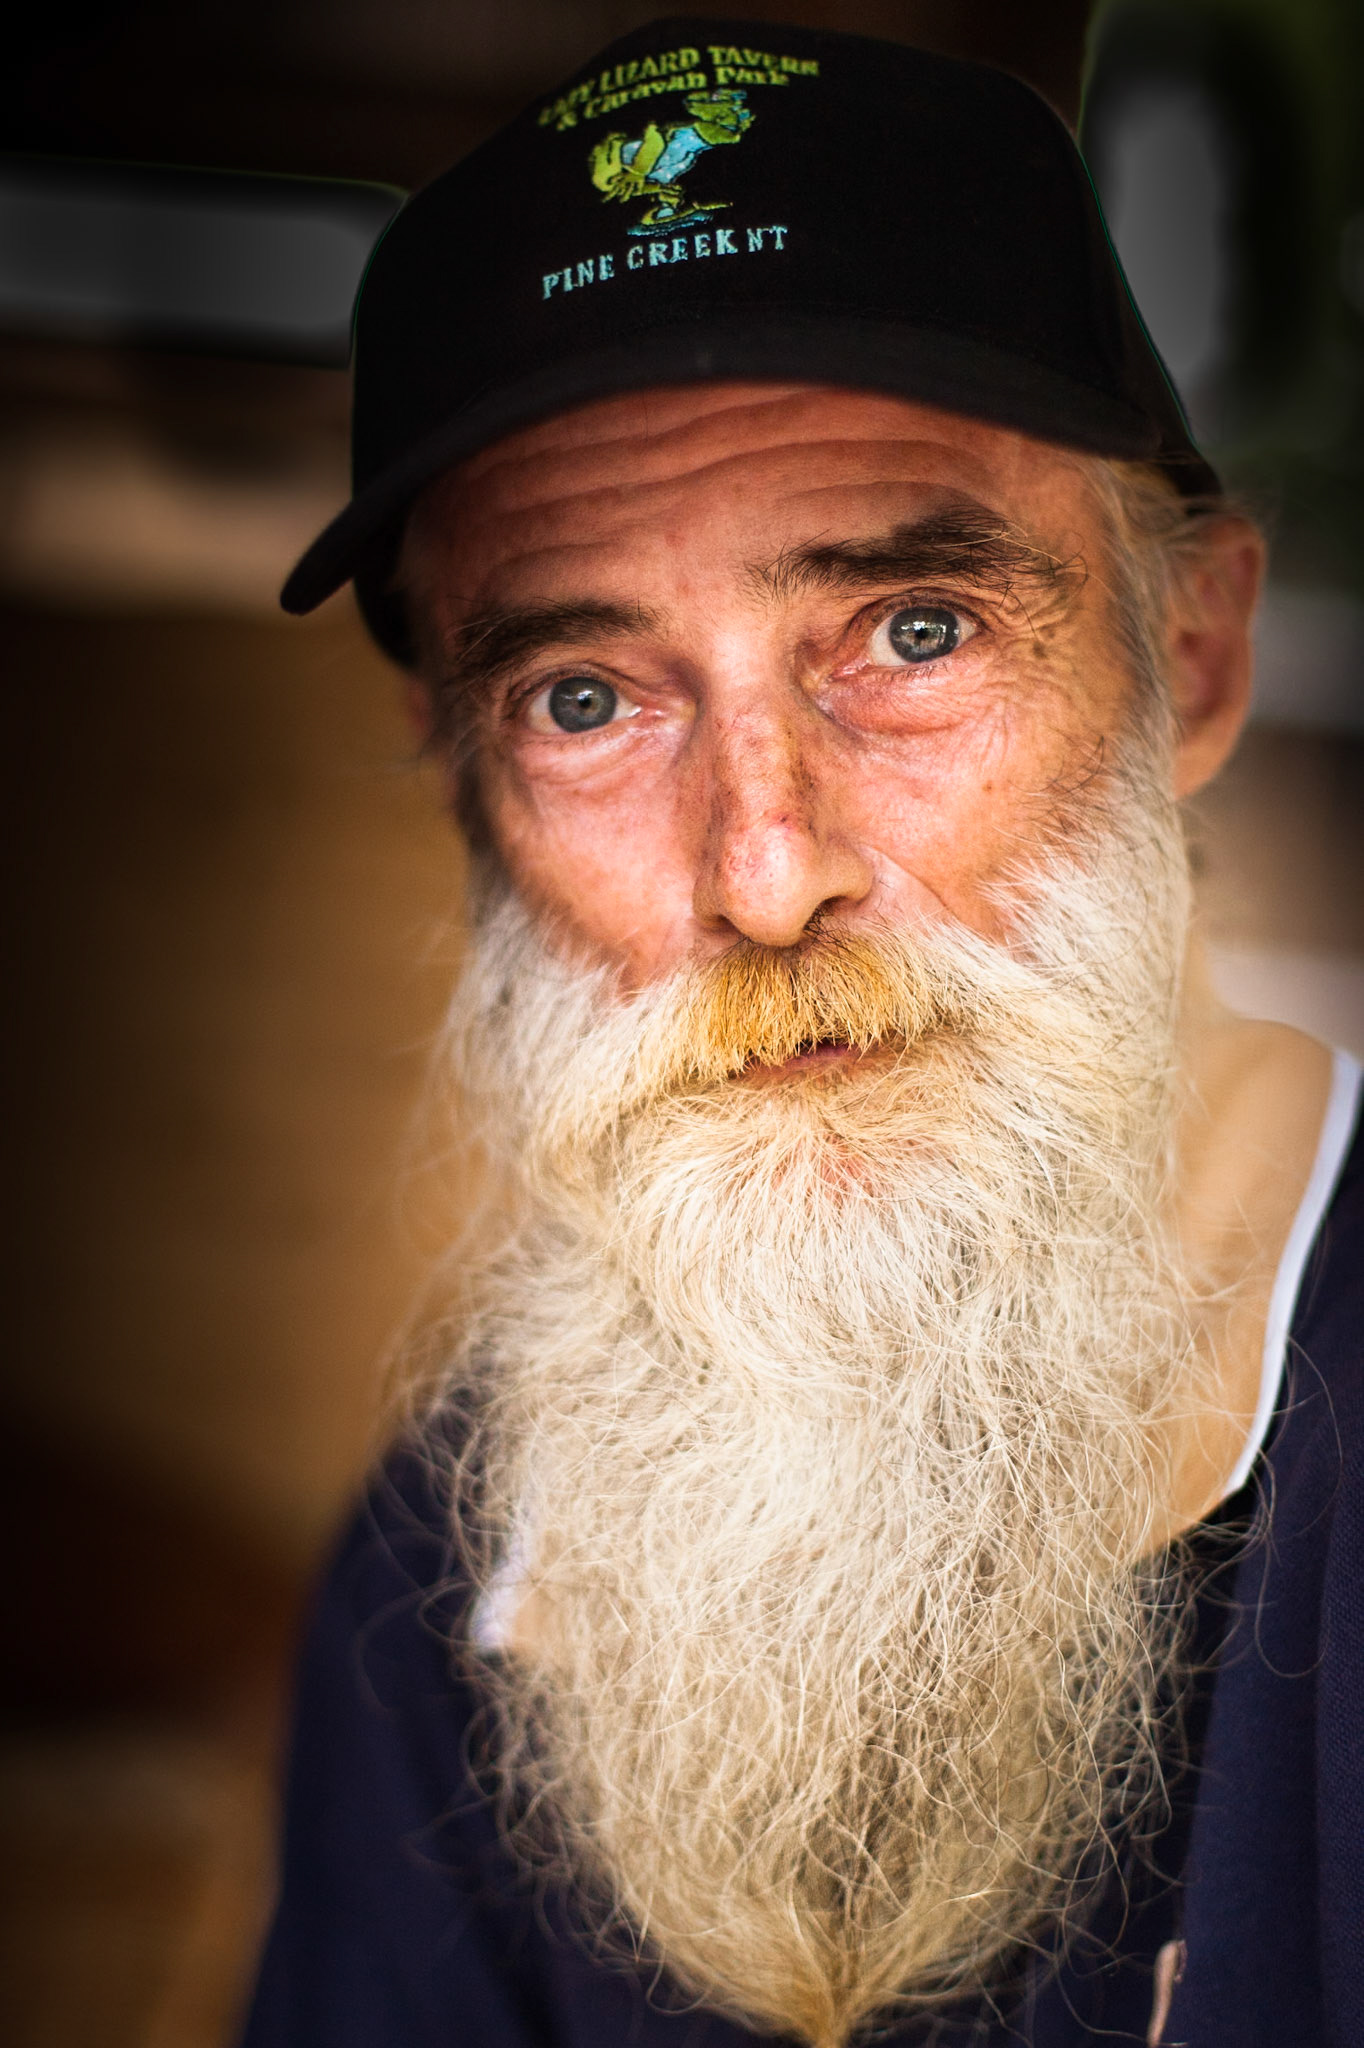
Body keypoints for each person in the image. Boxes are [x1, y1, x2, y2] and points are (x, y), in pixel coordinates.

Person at [245, 19, 1364, 2048]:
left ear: (1188, 656)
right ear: (460, 782)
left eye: (911, 632)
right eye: (585, 697)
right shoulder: (457, 1556)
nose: (764, 872)